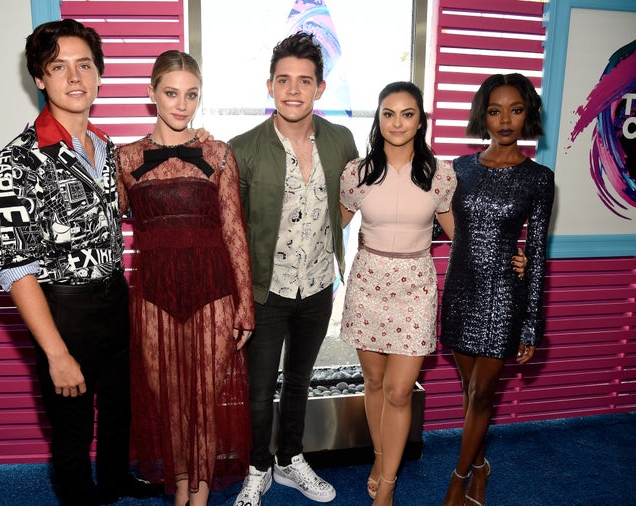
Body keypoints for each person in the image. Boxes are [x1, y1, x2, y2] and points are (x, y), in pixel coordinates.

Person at [0, 19, 161, 505]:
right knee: (71, 426)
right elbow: (14, 267)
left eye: (85, 64)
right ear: (40, 79)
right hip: (63, 311)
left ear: (100, 75)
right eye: (58, 66)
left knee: (120, 409)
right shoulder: (18, 160)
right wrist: (56, 354)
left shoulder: (106, 148)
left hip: (114, 299)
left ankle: (114, 480)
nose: (75, 76)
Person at [115, 50, 255, 506]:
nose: (181, 104)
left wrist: (244, 304)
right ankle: (180, 490)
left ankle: (198, 496)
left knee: (204, 403)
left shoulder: (218, 153)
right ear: (151, 93)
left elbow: (234, 232)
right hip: (153, 295)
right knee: (170, 403)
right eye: (171, 93)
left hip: (213, 292)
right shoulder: (124, 158)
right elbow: (106, 221)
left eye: (191, 95)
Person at [229, 31, 359, 505]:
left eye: (304, 81)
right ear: (269, 85)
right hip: (266, 291)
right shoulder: (242, 148)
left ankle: (290, 460)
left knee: (301, 380)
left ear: (320, 88)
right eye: (283, 80)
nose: (293, 89)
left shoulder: (342, 140)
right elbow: (233, 231)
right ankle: (257, 468)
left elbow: (347, 205)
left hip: (319, 286)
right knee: (260, 389)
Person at [439, 73, 555, 506]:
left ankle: (458, 480)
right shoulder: (460, 168)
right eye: (495, 110)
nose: (505, 120)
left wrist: (531, 324)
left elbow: (538, 253)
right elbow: (436, 221)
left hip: (504, 295)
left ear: (528, 115)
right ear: (482, 115)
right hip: (460, 290)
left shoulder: (539, 178)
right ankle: (482, 467)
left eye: (516, 110)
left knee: (483, 393)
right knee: (471, 394)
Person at [339, 82, 456, 506]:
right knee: (373, 382)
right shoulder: (356, 173)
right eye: (389, 113)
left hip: (416, 287)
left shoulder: (440, 174)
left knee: (399, 391)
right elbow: (331, 225)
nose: (398, 122)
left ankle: (387, 486)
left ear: (420, 120)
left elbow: (456, 230)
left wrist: (503, 261)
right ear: (378, 119)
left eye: (407, 114)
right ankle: (380, 457)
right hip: (368, 281)